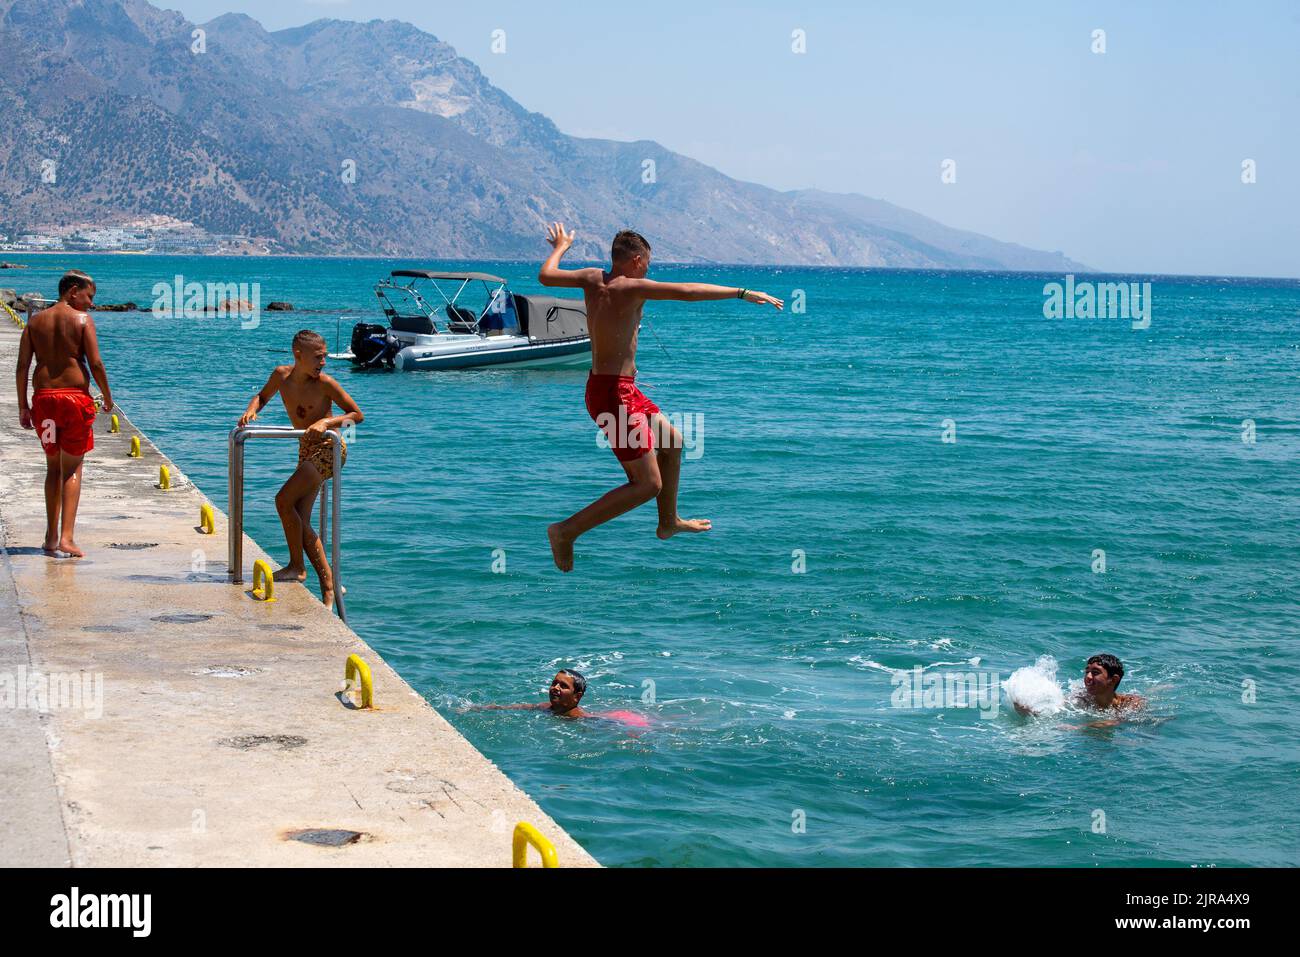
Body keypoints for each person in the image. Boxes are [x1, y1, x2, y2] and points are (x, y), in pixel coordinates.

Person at [539, 224, 783, 571]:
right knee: (647, 484)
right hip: (614, 396)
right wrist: (741, 292)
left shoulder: (592, 278)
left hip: (617, 389)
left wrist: (561, 246)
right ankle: (566, 531)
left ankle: (668, 522)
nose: (649, 271)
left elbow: (546, 276)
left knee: (673, 441)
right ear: (636, 261)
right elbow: (688, 290)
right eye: (648, 265)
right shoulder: (632, 286)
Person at [238, 329, 363, 609]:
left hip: (329, 449)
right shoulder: (281, 375)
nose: (324, 362)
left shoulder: (326, 383)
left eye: (325, 357)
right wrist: (251, 410)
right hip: (306, 450)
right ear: (299, 355)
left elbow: (357, 415)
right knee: (300, 519)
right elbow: (262, 396)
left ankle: (302, 569)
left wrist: (327, 423)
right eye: (319, 357)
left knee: (283, 500)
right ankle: (323, 583)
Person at [15, 270, 112, 557]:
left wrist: (23, 406)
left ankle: (49, 536)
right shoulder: (82, 320)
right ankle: (67, 538)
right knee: (72, 468)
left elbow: (22, 367)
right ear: (72, 291)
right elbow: (95, 363)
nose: (91, 304)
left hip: (44, 400)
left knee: (52, 467)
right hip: (74, 400)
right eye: (89, 296)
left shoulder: (35, 322)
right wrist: (107, 396)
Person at [470, 670, 592, 718]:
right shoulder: (546, 707)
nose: (555, 688)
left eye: (563, 686)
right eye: (554, 683)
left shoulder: (580, 718)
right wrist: (481, 708)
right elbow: (519, 707)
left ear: (577, 696)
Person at [1075, 653, 1145, 712]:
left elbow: (1120, 720)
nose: (1088, 676)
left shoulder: (1129, 703)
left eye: (1095, 672)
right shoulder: (1080, 700)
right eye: (1087, 672)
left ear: (1114, 680)